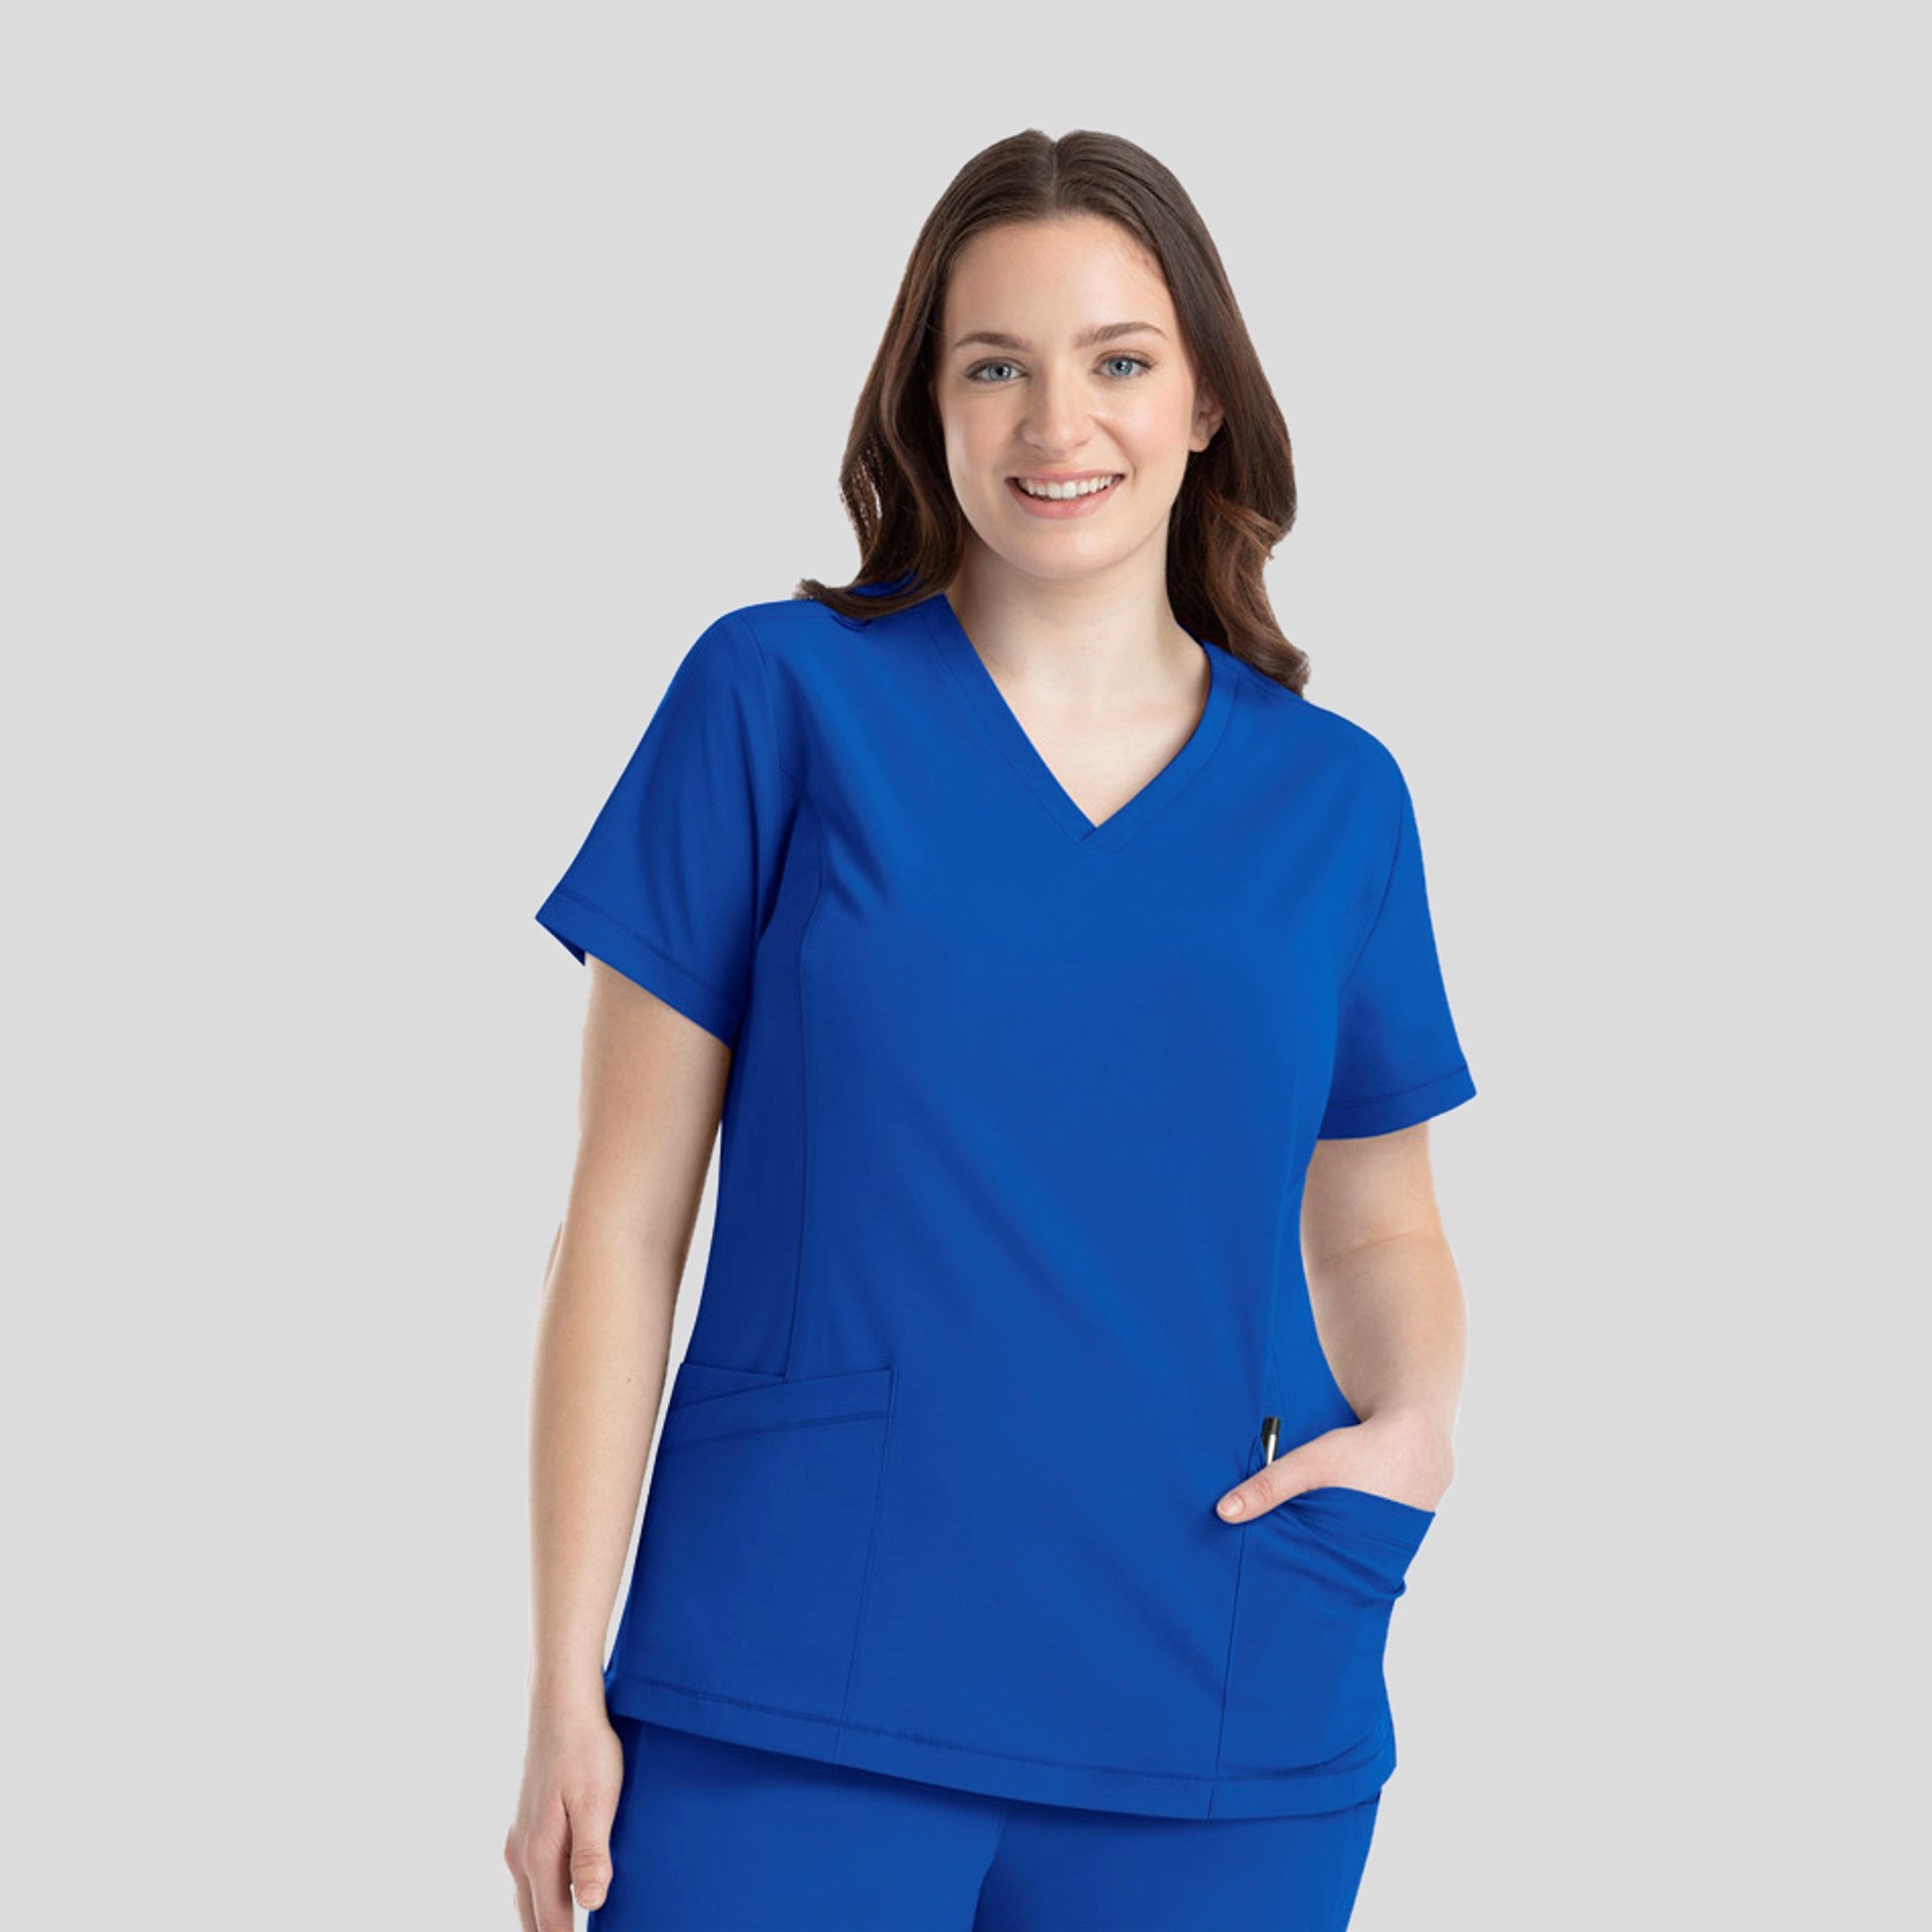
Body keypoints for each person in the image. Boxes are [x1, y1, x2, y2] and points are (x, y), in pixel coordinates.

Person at [504, 126, 1478, 1932]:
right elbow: (623, 1221)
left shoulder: (1339, 802)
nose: (1058, 423)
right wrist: (565, 1681)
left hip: (1222, 1701)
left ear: (1205, 402)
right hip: (787, 1688)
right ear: (925, 404)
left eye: (1120, 361)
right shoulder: (774, 700)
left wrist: (1417, 1426)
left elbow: (1376, 1223)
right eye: (995, 367)